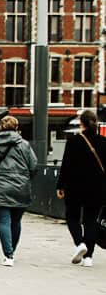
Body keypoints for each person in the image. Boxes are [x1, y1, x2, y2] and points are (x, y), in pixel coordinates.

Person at [0, 115, 38, 267]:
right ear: (17, 127)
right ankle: (12, 251)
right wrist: (24, 178)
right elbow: (33, 165)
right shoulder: (24, 144)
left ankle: (8, 254)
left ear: (0, 127)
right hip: (20, 186)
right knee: (16, 221)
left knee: (3, 221)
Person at [56, 109, 106, 267]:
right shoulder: (104, 142)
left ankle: (80, 243)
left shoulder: (74, 141)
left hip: (75, 187)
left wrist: (60, 185)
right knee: (91, 220)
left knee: (72, 217)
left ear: (81, 123)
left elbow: (66, 165)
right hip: (97, 188)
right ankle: (88, 258)